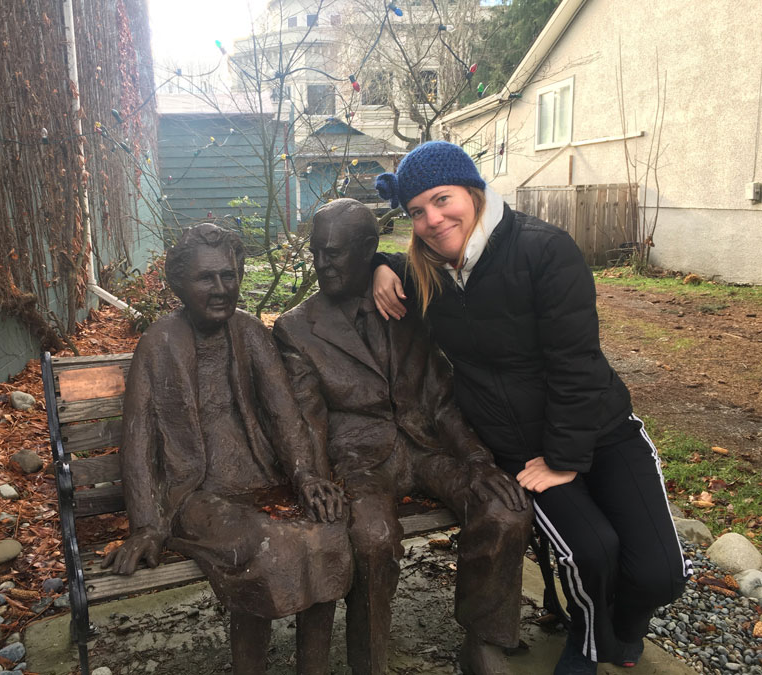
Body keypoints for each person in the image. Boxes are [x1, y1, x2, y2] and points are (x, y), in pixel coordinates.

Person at [371, 141, 690, 674]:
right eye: (416, 211)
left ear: (472, 191)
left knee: (661, 573)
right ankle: (589, 642)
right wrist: (380, 265)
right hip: (516, 446)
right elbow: (374, 258)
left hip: (601, 428)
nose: (432, 218)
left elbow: (576, 361)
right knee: (591, 552)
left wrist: (564, 458)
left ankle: (624, 629)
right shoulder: (428, 273)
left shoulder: (544, 249)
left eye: (442, 199)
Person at [273, 198, 532, 675]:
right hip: (360, 460)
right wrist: (312, 476)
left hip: (426, 444)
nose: (322, 264)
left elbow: (440, 396)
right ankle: (368, 663)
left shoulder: (409, 305)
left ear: (369, 250)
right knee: (372, 539)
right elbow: (306, 417)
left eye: (334, 253)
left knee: (506, 509)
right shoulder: (296, 328)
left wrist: (477, 459)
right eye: (316, 252)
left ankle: (484, 641)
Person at [103, 223, 353, 675]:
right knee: (268, 545)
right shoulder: (158, 343)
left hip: (263, 480)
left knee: (329, 532)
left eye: (229, 276)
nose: (221, 289)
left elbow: (285, 415)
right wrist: (145, 524)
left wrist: (307, 476)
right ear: (179, 283)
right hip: (196, 493)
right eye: (206, 278)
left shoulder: (250, 332)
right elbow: (138, 439)